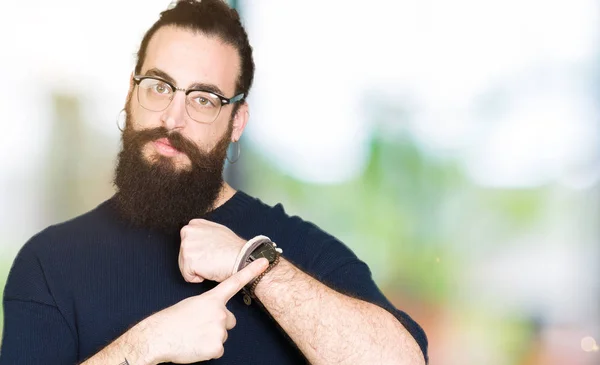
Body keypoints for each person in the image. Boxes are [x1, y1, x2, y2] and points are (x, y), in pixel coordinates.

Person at [0, 1, 428, 364]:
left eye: (203, 99)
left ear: (236, 122)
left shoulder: (292, 252)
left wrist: (254, 264)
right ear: (130, 93)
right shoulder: (49, 262)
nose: (172, 118)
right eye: (159, 87)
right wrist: (149, 344)